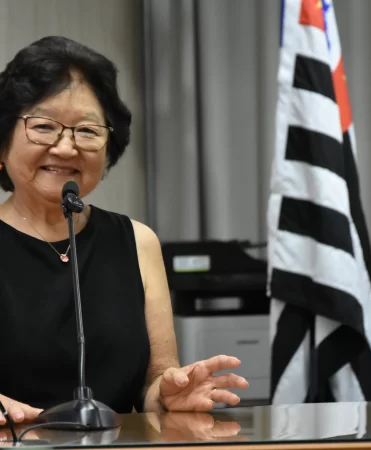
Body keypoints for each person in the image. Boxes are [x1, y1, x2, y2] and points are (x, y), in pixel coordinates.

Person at [0, 36, 248, 426]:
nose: (66, 148)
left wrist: (168, 394)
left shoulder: (137, 241)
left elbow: (153, 384)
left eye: (86, 130)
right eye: (44, 126)